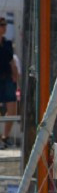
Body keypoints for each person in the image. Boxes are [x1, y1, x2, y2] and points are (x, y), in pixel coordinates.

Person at [0, 19, 16, 147]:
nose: (4, 27)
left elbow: (12, 61)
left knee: (12, 109)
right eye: (1, 25)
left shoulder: (8, 43)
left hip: (8, 78)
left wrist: (15, 76)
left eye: (4, 25)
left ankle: (5, 136)